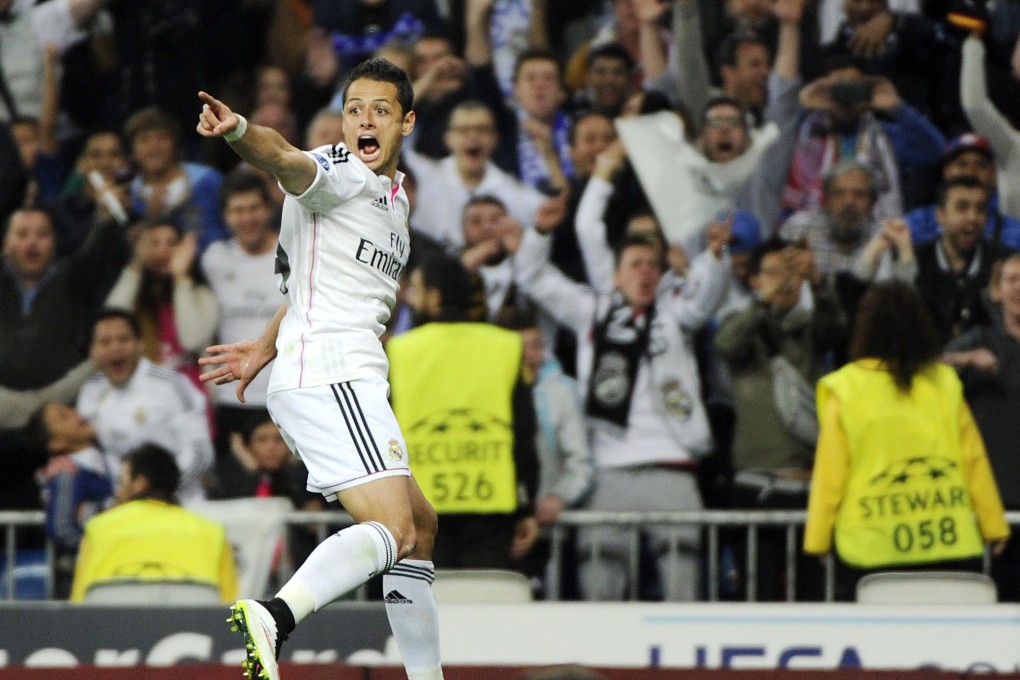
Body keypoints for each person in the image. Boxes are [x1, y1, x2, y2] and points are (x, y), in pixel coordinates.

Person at [196, 57, 444, 680]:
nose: (363, 121)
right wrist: (237, 132)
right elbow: (283, 156)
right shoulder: (340, 172)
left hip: (335, 369)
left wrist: (264, 344)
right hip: (332, 372)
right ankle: (274, 617)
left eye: (379, 110)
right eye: (354, 108)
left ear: (406, 123)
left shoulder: (393, 201)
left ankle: (426, 676)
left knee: (419, 525)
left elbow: (310, 287)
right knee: (391, 527)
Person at [512, 210, 731, 602]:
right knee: (600, 589)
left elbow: (706, 300)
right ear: (615, 276)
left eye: (653, 265)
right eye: (635, 265)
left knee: (685, 592)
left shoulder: (675, 315)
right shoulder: (590, 311)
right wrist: (540, 231)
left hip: (673, 469)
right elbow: (532, 276)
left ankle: (683, 662)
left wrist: (715, 257)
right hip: (607, 471)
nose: (645, 272)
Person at [803, 281, 1010, 601]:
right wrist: (993, 524)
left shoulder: (845, 388)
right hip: (948, 545)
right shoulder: (944, 383)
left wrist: (818, 538)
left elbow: (830, 474)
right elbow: (974, 460)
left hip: (868, 550)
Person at [713, 237, 846, 601]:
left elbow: (837, 331)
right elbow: (726, 344)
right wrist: (763, 301)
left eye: (791, 274)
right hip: (755, 487)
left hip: (809, 489)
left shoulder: (811, 329)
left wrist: (818, 281)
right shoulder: (742, 325)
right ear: (753, 279)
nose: (784, 282)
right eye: (771, 274)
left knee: (814, 597)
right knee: (758, 598)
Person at [389, 252, 540, 570]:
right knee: (482, 607)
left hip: (420, 509)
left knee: (429, 609)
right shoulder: (506, 345)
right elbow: (524, 433)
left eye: (416, 290)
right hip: (491, 507)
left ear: (436, 296)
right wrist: (526, 508)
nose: (410, 299)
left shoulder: (399, 351)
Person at [69, 443, 238, 603]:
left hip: (114, 630)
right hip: (191, 630)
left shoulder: (98, 529)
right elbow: (230, 610)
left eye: (121, 482)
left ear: (140, 483)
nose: (117, 492)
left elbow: (78, 609)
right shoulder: (213, 533)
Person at [943, 253, 1020, 601]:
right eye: (1012, 279)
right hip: (992, 510)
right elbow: (924, 368)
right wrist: (965, 359)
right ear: (997, 291)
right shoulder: (978, 341)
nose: (1019, 288)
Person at [77, 307, 213, 502]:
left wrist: (157, 494)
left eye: (124, 339)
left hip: (177, 504)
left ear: (140, 344)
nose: (116, 347)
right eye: (105, 342)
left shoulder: (171, 385)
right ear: (92, 350)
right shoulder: (90, 391)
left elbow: (200, 453)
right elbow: (88, 452)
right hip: (120, 505)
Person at [914, 176, 1016, 345]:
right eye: (962, 208)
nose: (973, 217)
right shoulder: (916, 261)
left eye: (980, 209)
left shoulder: (1005, 263)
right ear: (940, 215)